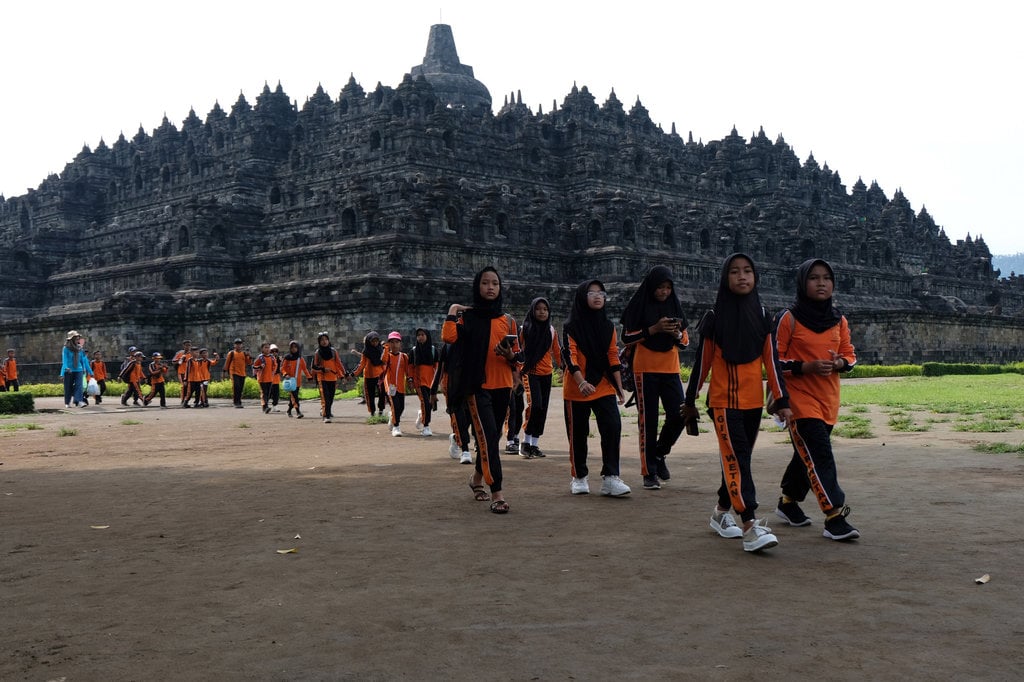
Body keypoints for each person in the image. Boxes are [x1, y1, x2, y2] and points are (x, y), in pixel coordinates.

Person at [683, 253, 792, 553]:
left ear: (755, 277)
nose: (742, 277)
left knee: (737, 460)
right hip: (722, 401)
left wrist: (781, 399)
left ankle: (720, 513)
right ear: (724, 278)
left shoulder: (763, 314)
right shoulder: (715, 317)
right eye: (734, 272)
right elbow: (702, 363)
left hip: (752, 402)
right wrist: (689, 400)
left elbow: (771, 359)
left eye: (747, 271)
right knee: (738, 459)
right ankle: (750, 525)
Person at [773, 258, 860, 541]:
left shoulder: (839, 320)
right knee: (820, 453)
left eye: (826, 278)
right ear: (802, 283)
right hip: (798, 399)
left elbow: (850, 355)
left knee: (806, 454)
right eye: (814, 278)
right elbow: (773, 361)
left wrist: (839, 364)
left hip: (828, 399)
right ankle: (834, 515)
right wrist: (803, 366)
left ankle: (788, 502)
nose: (821, 283)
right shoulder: (789, 318)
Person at [442, 266, 519, 514]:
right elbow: (449, 337)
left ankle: (476, 478)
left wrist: (509, 355)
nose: (490, 288)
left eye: (495, 283)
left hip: (503, 385)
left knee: (491, 439)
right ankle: (497, 491)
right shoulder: (469, 317)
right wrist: (454, 310)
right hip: (478, 386)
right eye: (485, 283)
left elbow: (518, 358)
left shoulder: (507, 320)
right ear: (478, 286)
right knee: (487, 438)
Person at [620, 265, 690, 490]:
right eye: (660, 287)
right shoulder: (639, 305)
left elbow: (685, 341)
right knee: (648, 421)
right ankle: (648, 471)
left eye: (668, 288)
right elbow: (627, 337)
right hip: (645, 368)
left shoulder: (674, 305)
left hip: (671, 368)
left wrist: (675, 332)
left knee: (680, 414)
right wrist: (654, 329)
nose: (664, 292)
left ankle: (660, 453)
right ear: (651, 287)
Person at [562, 280, 631, 497]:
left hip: (603, 384)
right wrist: (581, 381)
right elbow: (569, 356)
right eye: (591, 293)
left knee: (612, 426)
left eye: (601, 293)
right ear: (583, 297)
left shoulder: (608, 326)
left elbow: (612, 355)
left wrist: (619, 387)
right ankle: (579, 476)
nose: (597, 296)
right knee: (578, 433)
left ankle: (611, 477)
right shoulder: (570, 327)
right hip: (577, 387)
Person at [518, 297, 561, 459]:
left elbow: (557, 352)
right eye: (538, 309)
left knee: (542, 409)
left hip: (547, 374)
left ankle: (534, 444)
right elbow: (517, 350)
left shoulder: (551, 331)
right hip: (531, 372)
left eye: (545, 309)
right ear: (532, 310)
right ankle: (525, 442)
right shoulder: (525, 329)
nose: (542, 312)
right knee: (535, 405)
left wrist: (567, 368)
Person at [433, 341, 474, 464]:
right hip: (454, 387)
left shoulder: (476, 338)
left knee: (470, 418)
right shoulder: (449, 345)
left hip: (472, 385)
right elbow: (441, 368)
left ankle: (456, 438)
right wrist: (433, 389)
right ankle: (465, 450)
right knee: (459, 417)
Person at [409, 328, 439, 437]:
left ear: (427, 336)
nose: (420, 337)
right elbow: (410, 367)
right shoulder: (414, 351)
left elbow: (436, 366)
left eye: (423, 335)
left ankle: (422, 415)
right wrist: (410, 379)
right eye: (418, 335)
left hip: (430, 382)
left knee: (429, 404)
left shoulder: (433, 350)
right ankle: (426, 426)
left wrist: (437, 381)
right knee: (426, 403)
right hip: (419, 382)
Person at [311, 331, 344, 423]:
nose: (324, 341)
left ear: (329, 341)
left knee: (331, 397)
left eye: (326, 339)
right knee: (325, 397)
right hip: (322, 378)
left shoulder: (333, 352)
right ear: (319, 342)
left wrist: (343, 375)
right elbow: (314, 367)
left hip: (333, 377)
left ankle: (325, 410)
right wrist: (322, 369)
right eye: (322, 340)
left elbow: (338, 364)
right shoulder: (318, 353)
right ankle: (326, 415)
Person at [383, 331, 412, 437]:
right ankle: (396, 426)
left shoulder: (404, 357)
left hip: (400, 385)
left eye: (396, 342)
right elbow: (383, 361)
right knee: (395, 405)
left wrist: (409, 380)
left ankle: (393, 418)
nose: (394, 345)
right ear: (388, 343)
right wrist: (385, 349)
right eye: (392, 342)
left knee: (401, 407)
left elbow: (407, 371)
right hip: (390, 385)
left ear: (400, 344)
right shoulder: (387, 356)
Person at [353, 332, 387, 418]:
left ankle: (381, 410)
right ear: (369, 342)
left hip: (380, 375)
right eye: (373, 341)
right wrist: (354, 374)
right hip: (369, 376)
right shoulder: (366, 352)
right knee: (370, 396)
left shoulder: (381, 349)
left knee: (382, 394)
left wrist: (386, 348)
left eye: (376, 341)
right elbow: (362, 365)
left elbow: (385, 361)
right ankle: (372, 412)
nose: (375, 343)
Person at [60, 330, 93, 408]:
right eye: (76, 338)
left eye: (78, 338)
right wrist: (64, 371)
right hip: (69, 370)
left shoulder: (80, 349)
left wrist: (89, 371)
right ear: (71, 339)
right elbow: (64, 361)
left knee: (79, 386)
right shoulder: (66, 349)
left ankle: (79, 401)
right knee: (68, 386)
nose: (78, 340)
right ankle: (67, 402)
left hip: (79, 370)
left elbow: (83, 360)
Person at [281, 340, 312, 418]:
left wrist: (309, 377)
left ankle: (289, 410)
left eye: (295, 347)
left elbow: (305, 369)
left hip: (297, 382)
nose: (293, 349)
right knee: (295, 396)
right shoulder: (287, 358)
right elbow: (282, 368)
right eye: (292, 347)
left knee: (294, 396)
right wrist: (285, 374)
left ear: (298, 348)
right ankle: (298, 412)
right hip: (290, 381)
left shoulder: (300, 359)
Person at [223, 338, 252, 408]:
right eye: (237, 344)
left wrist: (249, 356)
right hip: (234, 372)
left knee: (241, 388)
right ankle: (236, 402)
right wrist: (224, 372)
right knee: (236, 387)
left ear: (242, 345)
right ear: (234, 345)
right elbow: (227, 363)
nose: (238, 345)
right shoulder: (231, 353)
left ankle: (239, 401)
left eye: (240, 344)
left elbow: (249, 363)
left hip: (242, 373)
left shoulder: (244, 354)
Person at [253, 342, 280, 414]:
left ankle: (264, 407)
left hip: (270, 378)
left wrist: (273, 371)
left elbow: (275, 365)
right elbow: (254, 366)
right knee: (264, 393)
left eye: (268, 347)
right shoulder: (260, 357)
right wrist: (259, 367)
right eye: (265, 347)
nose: (267, 349)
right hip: (262, 378)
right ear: (262, 349)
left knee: (267, 394)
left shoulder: (272, 357)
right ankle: (266, 407)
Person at [172, 340, 193, 405]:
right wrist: (180, 360)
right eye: (186, 345)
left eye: (189, 345)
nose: (188, 347)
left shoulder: (192, 354)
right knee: (184, 385)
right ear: (183, 346)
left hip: (190, 372)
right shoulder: (180, 353)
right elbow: (173, 362)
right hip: (181, 372)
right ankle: (183, 400)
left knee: (190, 386)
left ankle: (186, 399)